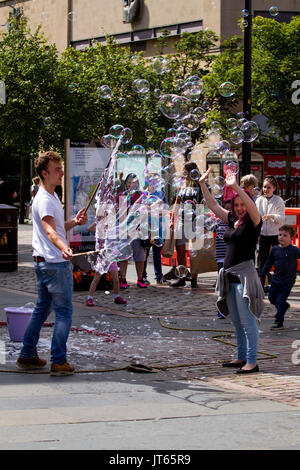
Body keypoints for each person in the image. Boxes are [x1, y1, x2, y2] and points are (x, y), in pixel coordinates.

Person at [17, 151, 87, 377]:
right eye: (57, 170)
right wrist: (63, 247)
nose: (62, 172)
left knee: (41, 310)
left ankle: (27, 355)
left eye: (61, 168)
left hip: (44, 262)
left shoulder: (50, 194)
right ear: (44, 173)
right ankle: (59, 361)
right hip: (55, 264)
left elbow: (55, 228)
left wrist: (73, 222)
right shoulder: (46, 199)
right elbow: (49, 231)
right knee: (64, 313)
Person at [200, 167, 264, 374]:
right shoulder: (230, 220)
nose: (239, 208)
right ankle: (241, 356)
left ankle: (252, 362)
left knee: (248, 321)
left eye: (242, 204)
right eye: (236, 204)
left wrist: (235, 186)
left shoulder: (254, 222)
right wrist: (202, 183)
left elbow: (251, 207)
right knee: (237, 322)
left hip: (244, 276)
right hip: (229, 277)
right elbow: (212, 204)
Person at [260, 225, 300, 329]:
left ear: (291, 238)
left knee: (280, 300)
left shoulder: (294, 250)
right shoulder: (275, 249)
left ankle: (278, 320)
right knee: (272, 298)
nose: (281, 237)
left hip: (288, 281)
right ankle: (285, 306)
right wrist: (262, 273)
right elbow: (269, 262)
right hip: (276, 280)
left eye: (285, 235)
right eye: (280, 234)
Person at [170, 161, 203, 288]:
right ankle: (182, 277)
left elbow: (205, 204)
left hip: (195, 221)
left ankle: (194, 278)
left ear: (191, 171)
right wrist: (173, 220)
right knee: (180, 250)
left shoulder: (201, 185)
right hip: (183, 221)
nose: (183, 173)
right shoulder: (182, 187)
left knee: (195, 250)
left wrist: (203, 223)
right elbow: (176, 204)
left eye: (184, 170)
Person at [115, 173, 147, 288]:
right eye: (129, 182)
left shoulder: (142, 196)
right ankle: (123, 279)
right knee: (124, 255)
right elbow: (119, 214)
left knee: (140, 256)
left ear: (138, 184)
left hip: (139, 229)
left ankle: (140, 278)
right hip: (125, 229)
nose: (131, 184)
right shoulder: (121, 196)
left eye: (134, 182)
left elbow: (145, 213)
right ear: (125, 184)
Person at [86, 221, 127, 306]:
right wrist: (98, 221)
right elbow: (89, 228)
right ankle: (89, 298)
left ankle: (117, 296)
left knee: (116, 279)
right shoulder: (100, 231)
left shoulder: (113, 230)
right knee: (96, 279)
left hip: (111, 257)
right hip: (102, 258)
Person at [255, 175, 285, 290]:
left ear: (274, 188)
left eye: (268, 187)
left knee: (278, 260)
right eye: (264, 187)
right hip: (263, 235)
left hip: (275, 235)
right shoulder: (259, 200)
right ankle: (261, 285)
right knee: (261, 261)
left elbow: (281, 218)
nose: (265, 189)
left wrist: (271, 216)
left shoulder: (278, 200)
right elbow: (256, 215)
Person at [142, 173, 169, 285]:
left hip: (158, 226)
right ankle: (142, 276)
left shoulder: (160, 194)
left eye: (155, 181)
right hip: (146, 227)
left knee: (157, 253)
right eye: (151, 180)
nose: (153, 183)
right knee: (145, 252)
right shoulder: (143, 195)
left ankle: (159, 276)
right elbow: (141, 210)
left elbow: (164, 210)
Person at [214, 199, 231, 318]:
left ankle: (231, 309)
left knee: (231, 285)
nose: (229, 211)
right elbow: (206, 227)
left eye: (231, 209)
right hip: (221, 258)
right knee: (222, 285)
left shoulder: (235, 224)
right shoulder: (218, 222)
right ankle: (221, 310)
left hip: (232, 259)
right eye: (226, 209)